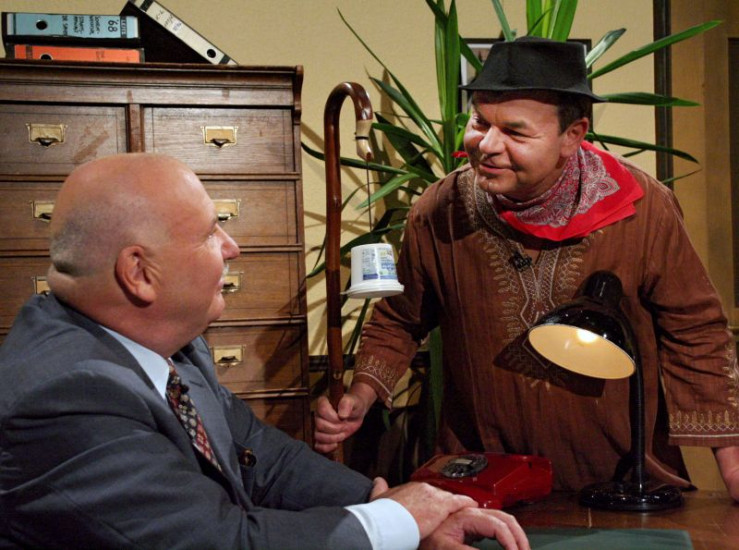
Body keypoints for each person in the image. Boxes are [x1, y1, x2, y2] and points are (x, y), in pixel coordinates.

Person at [0, 153, 530, 550]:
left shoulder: (167, 349)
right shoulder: (66, 397)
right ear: (139, 273)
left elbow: (261, 457)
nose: (232, 248)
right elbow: (220, 541)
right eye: (209, 233)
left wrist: (387, 503)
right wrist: (397, 520)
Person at [315, 37, 739, 501]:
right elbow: (400, 319)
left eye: (515, 133)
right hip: (479, 482)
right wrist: (360, 396)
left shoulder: (642, 208)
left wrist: (732, 463)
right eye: (479, 122)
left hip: (617, 484)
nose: (487, 146)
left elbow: (695, 331)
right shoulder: (440, 209)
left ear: (572, 135)